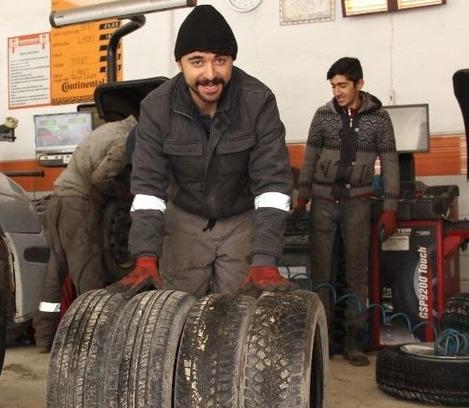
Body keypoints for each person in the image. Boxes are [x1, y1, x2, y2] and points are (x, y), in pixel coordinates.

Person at [110, 4, 293, 299]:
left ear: (232, 60)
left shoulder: (258, 102)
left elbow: (273, 185)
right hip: (184, 222)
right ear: (180, 63)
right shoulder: (156, 108)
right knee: (174, 314)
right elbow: (148, 190)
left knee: (238, 313)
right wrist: (145, 256)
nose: (210, 74)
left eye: (220, 60)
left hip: (241, 221)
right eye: (197, 62)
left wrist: (264, 258)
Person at [296, 57, 398, 366]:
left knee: (357, 272)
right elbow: (309, 158)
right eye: (333, 86)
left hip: (358, 203)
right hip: (323, 202)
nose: (337, 92)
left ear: (359, 84)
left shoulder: (379, 119)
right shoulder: (323, 116)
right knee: (320, 271)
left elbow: (390, 163)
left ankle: (354, 341)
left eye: (342, 85)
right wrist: (302, 195)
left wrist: (390, 208)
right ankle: (322, 340)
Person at [33, 114, 137, 352]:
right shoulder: (124, 140)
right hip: (79, 205)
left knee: (55, 271)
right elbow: (100, 178)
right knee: (88, 275)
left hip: (57, 200)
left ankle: (44, 336)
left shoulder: (106, 130)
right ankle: (94, 341)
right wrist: (127, 194)